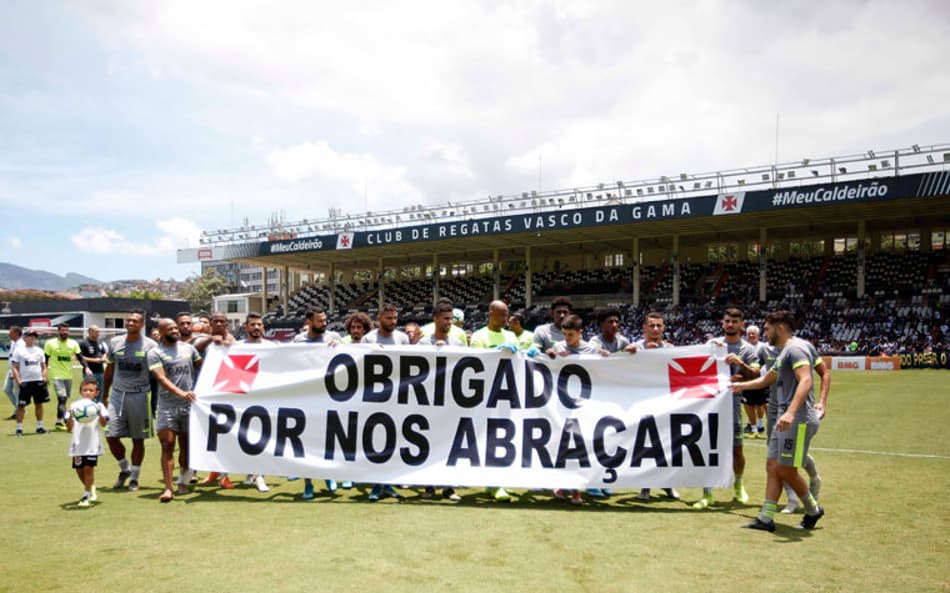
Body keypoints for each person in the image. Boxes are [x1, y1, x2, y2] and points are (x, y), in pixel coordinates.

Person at [732, 311, 825, 531]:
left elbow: (806, 380)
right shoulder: (784, 352)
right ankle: (766, 518)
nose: (764, 333)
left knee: (786, 469)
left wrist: (791, 412)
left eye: (766, 328)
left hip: (798, 419)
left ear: (780, 328)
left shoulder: (795, 349)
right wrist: (738, 387)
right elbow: (766, 379)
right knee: (773, 466)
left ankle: (813, 509)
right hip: (785, 418)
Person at [693, 307, 759, 509]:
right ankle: (707, 493)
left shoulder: (747, 349)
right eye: (727, 321)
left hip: (732, 404)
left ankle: (738, 486)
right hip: (710, 404)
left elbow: (756, 375)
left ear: (741, 325)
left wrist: (740, 365)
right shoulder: (712, 345)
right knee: (706, 447)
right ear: (722, 323)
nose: (730, 324)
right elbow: (698, 371)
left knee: (737, 449)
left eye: (735, 322)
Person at [468, 300, 520, 502]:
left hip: (507, 394)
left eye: (506, 314)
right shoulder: (479, 336)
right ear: (491, 314)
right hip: (485, 395)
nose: (505, 319)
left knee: (503, 437)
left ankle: (497, 482)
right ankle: (492, 482)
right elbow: (475, 364)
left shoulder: (510, 336)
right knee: (486, 438)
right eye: (501, 314)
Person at [147, 318, 202, 502]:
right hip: (167, 406)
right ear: (161, 332)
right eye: (170, 328)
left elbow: (202, 368)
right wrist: (181, 393)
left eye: (175, 327)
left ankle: (183, 482)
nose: (175, 330)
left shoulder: (189, 349)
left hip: (189, 406)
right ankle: (168, 488)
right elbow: (161, 379)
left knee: (186, 447)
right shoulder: (154, 353)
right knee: (167, 445)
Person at [103, 309, 158, 492]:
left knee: (138, 439)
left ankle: (134, 478)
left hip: (140, 395)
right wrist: (104, 394)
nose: (131, 323)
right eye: (129, 321)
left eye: (135, 321)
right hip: (118, 395)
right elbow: (109, 370)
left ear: (142, 325)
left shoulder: (150, 346)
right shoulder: (115, 342)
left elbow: (157, 372)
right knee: (111, 436)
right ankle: (124, 469)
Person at [630, 312, 680, 501]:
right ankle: (645, 486)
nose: (656, 329)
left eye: (659, 326)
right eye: (652, 326)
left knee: (666, 444)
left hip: (665, 404)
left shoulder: (671, 349)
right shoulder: (634, 348)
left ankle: (667, 484)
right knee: (644, 445)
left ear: (664, 328)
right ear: (644, 328)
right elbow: (614, 362)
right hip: (641, 403)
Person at [362, 303, 409, 501]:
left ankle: (387, 484)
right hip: (375, 397)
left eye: (395, 318)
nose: (393, 322)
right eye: (389, 318)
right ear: (380, 318)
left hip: (398, 396)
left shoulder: (402, 338)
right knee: (376, 441)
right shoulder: (369, 338)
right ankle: (376, 484)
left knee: (394, 440)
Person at [418, 303, 464, 501]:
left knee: (450, 444)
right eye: (445, 318)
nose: (449, 322)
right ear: (435, 318)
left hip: (451, 402)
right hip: (428, 401)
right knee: (429, 443)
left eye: (451, 319)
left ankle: (449, 487)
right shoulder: (422, 344)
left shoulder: (458, 343)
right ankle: (429, 487)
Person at [66, 379, 109, 507]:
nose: (88, 393)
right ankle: (90, 487)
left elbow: (104, 423)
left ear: (96, 393)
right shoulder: (74, 406)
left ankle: (86, 495)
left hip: (92, 444)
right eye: (85, 390)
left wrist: (99, 414)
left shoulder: (99, 406)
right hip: (78, 444)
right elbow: (69, 428)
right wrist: (71, 417)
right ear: (80, 392)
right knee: (79, 470)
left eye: (91, 390)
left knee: (88, 468)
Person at [44, 323, 92, 430]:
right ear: (58, 331)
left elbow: (80, 358)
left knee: (64, 400)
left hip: (68, 376)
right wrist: (44, 373)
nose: (65, 332)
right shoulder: (50, 343)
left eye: (66, 330)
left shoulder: (73, 343)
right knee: (62, 398)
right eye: (63, 330)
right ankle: (63, 421)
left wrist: (86, 367)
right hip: (56, 375)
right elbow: (45, 360)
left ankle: (60, 420)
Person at [11, 330, 48, 435]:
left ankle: (40, 426)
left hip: (38, 381)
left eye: (33, 337)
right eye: (29, 336)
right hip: (25, 382)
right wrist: (18, 380)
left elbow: (43, 366)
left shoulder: (39, 351)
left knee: (39, 404)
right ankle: (19, 428)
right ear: (24, 338)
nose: (31, 338)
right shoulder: (19, 351)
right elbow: (15, 367)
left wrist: (44, 378)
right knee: (21, 405)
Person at [742, 325, 769, 438]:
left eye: (754, 333)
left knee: (765, 405)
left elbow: (769, 362)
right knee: (749, 406)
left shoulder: (764, 347)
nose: (752, 335)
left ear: (758, 335)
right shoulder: (743, 347)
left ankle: (769, 427)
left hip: (763, 380)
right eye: (749, 334)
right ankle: (754, 429)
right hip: (748, 381)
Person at [78, 325, 109, 400]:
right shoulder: (83, 343)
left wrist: (104, 357)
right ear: (90, 332)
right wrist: (96, 360)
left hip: (101, 372)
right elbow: (80, 357)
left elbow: (104, 352)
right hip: (89, 372)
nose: (98, 333)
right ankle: (88, 409)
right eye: (96, 331)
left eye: (98, 331)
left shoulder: (100, 342)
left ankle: (98, 409)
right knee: (89, 392)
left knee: (99, 393)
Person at [3, 326, 23, 418]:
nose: (9, 334)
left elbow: (19, 360)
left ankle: (18, 411)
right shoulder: (13, 342)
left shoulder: (21, 344)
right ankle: (20, 409)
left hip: (17, 370)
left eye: (11, 332)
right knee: (7, 390)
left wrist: (14, 372)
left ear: (16, 333)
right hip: (11, 369)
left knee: (17, 392)